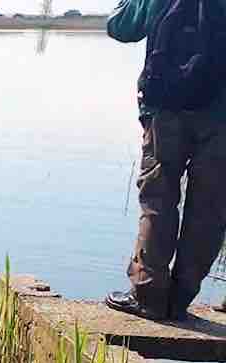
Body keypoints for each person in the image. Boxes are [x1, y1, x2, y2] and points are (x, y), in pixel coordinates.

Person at [104, 0, 226, 321]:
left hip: (166, 109)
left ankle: (148, 296)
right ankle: (180, 300)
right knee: (210, 208)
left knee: (157, 199)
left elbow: (120, 26)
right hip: (222, 117)